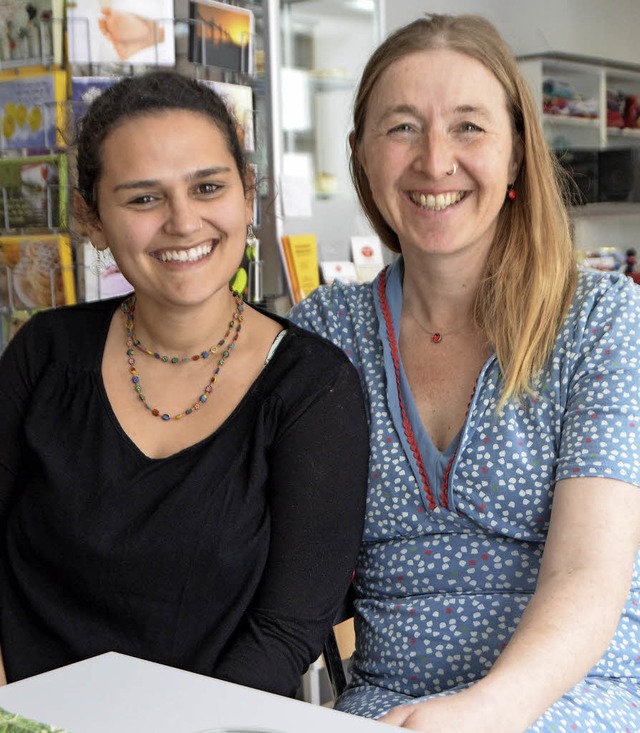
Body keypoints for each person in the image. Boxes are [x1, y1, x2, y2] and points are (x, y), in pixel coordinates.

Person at [288, 13, 640, 733]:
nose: (435, 160)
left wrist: (488, 709)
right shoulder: (325, 331)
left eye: (469, 127)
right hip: (384, 703)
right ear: (361, 155)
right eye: (403, 127)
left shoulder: (604, 319)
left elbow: (589, 573)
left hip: (571, 695)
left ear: (516, 153)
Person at [0, 70, 370, 698]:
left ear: (248, 196)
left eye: (207, 187)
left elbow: (285, 633)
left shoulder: (314, 388)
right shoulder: (45, 354)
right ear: (93, 219)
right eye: (143, 198)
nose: (182, 221)